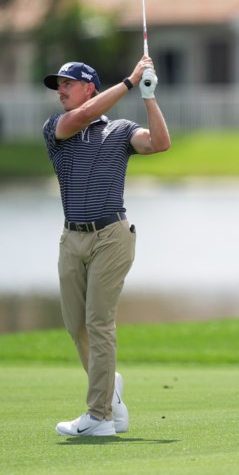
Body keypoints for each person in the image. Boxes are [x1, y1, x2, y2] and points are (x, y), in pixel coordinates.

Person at [42, 56, 170, 437]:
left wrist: (147, 95)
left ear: (89, 88)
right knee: (75, 326)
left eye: (68, 83)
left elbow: (160, 143)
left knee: (99, 322)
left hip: (112, 235)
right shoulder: (57, 128)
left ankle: (99, 417)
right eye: (58, 84)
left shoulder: (120, 130)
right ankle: (109, 388)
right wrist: (129, 82)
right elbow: (80, 118)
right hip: (71, 238)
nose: (60, 89)